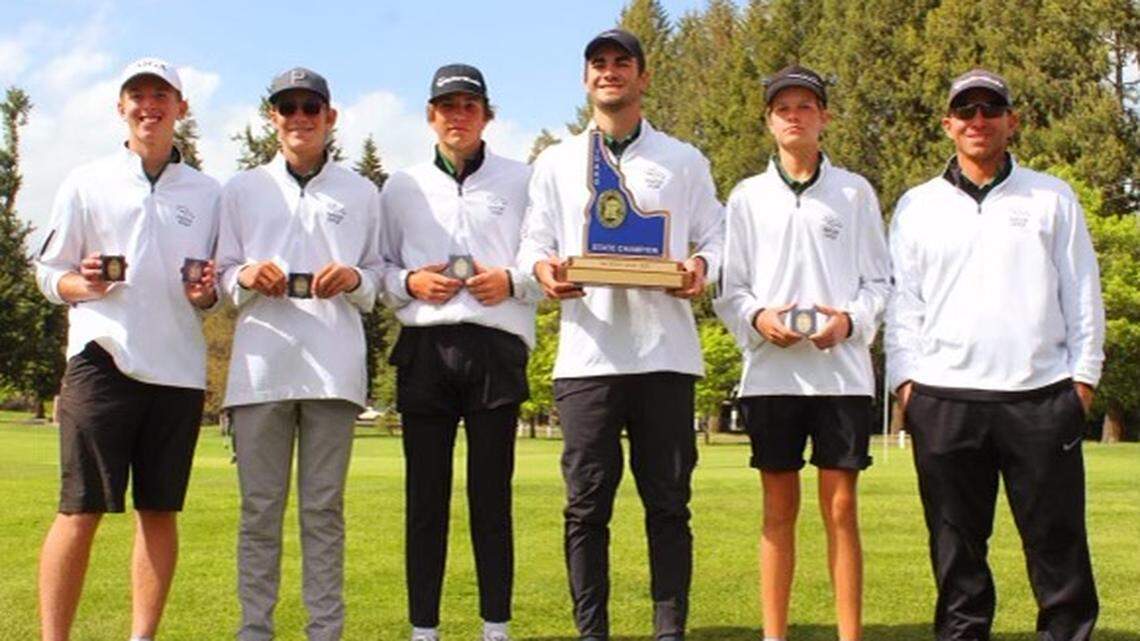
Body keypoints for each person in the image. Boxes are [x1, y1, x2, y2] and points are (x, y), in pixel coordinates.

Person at [517, 29, 724, 641]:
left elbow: (717, 237)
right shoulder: (555, 162)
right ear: (586, 80)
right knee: (586, 508)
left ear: (643, 77)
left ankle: (669, 631)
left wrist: (701, 269)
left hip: (665, 356)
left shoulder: (683, 160)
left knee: (668, 506)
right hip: (587, 359)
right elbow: (535, 242)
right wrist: (543, 270)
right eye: (599, 64)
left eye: (622, 64)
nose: (610, 73)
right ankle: (592, 632)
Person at [885, 68, 1104, 641]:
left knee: (1057, 543)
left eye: (990, 110)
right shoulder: (917, 205)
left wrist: (1082, 380)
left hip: (1039, 396)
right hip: (946, 398)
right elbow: (902, 303)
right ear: (948, 125)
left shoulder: (1052, 196)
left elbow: (1082, 291)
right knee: (957, 549)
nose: (978, 121)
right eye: (966, 111)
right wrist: (907, 385)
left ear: (1012, 121)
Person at [34, 57, 220, 641]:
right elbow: (47, 271)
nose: (149, 105)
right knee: (80, 509)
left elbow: (213, 291)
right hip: (102, 359)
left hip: (179, 372)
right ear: (121, 107)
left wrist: (207, 294)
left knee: (159, 511)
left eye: (161, 95)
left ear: (181, 109)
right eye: (137, 95)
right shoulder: (86, 180)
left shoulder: (211, 193)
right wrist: (80, 284)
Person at [714, 64, 891, 641]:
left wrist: (849, 323)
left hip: (841, 377)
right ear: (768, 120)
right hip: (770, 376)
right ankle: (774, 635)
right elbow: (729, 289)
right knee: (777, 512)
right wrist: (758, 318)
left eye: (805, 106)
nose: (794, 115)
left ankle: (849, 635)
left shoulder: (854, 191)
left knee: (840, 511)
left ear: (824, 117)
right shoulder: (746, 196)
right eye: (783, 107)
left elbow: (880, 284)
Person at [214, 67, 384, 641]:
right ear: (273, 118)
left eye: (311, 107)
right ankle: (254, 630)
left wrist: (354, 276)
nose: (299, 118)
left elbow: (380, 277)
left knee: (323, 514)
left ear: (329, 117)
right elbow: (216, 277)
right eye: (287, 107)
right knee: (259, 512)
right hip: (260, 371)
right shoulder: (240, 189)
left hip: (333, 372)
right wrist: (244, 274)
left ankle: (324, 632)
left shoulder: (361, 192)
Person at [378, 63, 538, 641]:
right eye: (447, 106)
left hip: (496, 348)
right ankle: (425, 629)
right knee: (425, 500)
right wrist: (409, 285)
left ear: (486, 115)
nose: (458, 116)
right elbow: (381, 270)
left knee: (490, 497)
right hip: (425, 348)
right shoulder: (401, 185)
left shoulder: (523, 180)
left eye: (469, 105)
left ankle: (495, 627)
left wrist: (514, 282)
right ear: (430, 116)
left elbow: (546, 262)